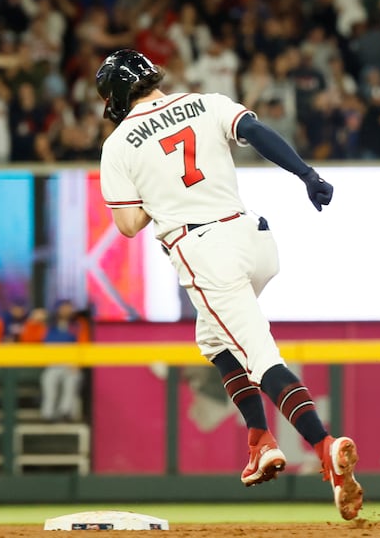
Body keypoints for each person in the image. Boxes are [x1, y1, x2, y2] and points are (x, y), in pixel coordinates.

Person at [95, 49, 362, 520]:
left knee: (261, 359)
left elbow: (129, 224)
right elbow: (256, 132)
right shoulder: (204, 101)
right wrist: (306, 174)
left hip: (206, 253)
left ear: (115, 97)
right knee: (213, 340)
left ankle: (324, 446)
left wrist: (158, 194)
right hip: (254, 239)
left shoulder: (118, 143)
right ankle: (260, 442)